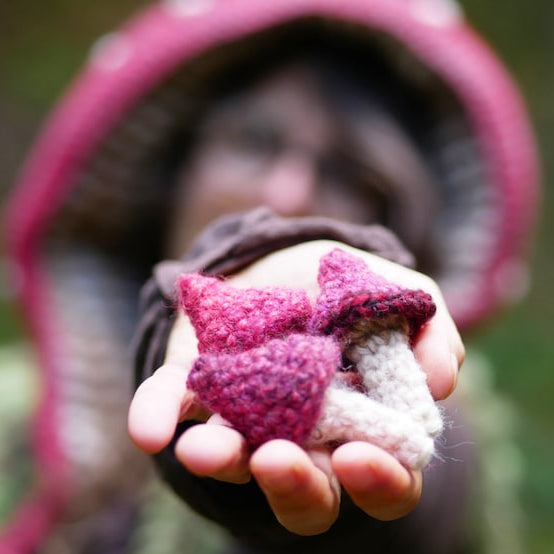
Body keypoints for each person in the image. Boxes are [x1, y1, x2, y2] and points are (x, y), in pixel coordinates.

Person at [3, 1, 539, 552]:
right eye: (254, 140)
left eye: (351, 174)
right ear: (175, 165)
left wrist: (266, 478)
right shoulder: (12, 411)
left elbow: (421, 492)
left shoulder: (455, 413)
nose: (288, 193)